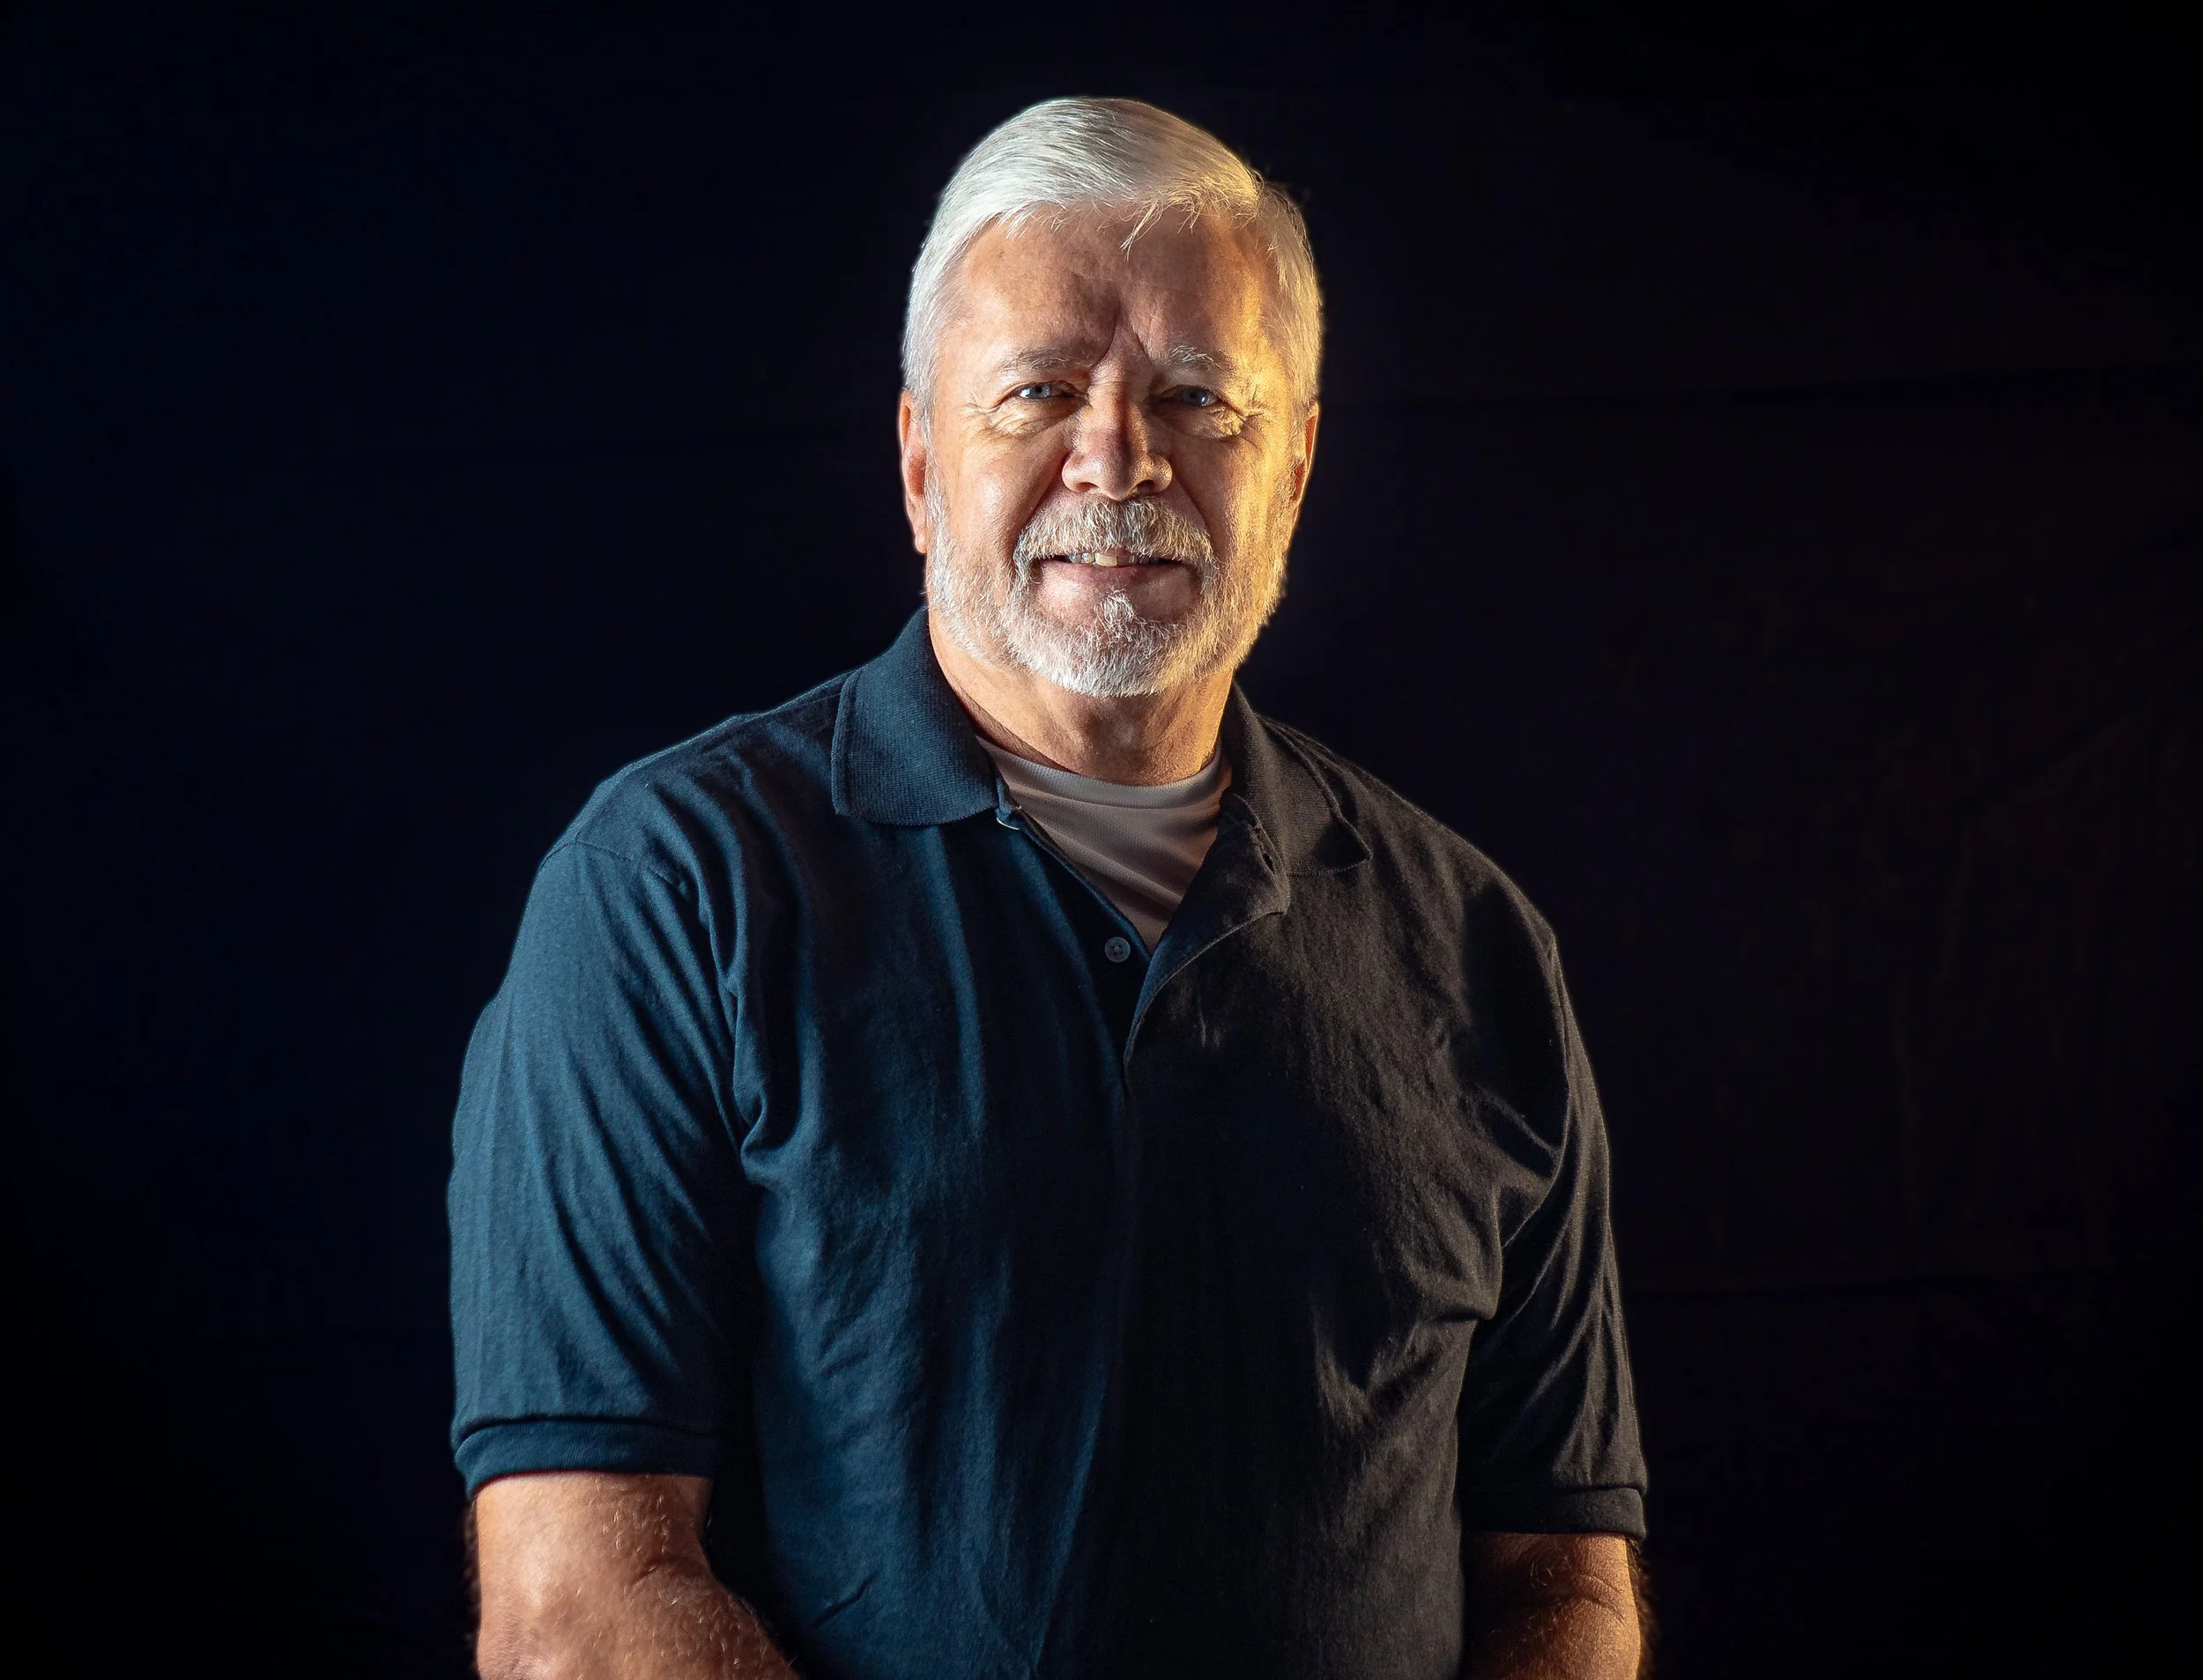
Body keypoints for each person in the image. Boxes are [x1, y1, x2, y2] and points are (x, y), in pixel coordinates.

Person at [451, 97, 1649, 1680]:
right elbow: (578, 1616)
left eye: (1196, 395)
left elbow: (1566, 1587)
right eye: (1037, 390)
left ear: (1290, 467)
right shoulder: (673, 894)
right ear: (919, 459)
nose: (1118, 453)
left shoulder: (1478, 944)